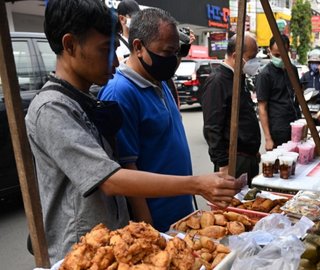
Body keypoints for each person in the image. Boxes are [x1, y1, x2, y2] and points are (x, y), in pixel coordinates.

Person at [25, 0, 241, 262]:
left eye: (115, 49)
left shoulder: (86, 99)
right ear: (70, 45)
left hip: (114, 243)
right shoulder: (52, 109)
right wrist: (196, 184)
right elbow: (111, 179)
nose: (115, 62)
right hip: (82, 254)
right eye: (105, 49)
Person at [98, 8, 206, 232]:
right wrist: (148, 228)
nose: (173, 60)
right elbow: (128, 167)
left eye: (177, 52)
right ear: (138, 47)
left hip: (182, 209)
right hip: (156, 220)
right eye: (167, 53)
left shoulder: (161, 80)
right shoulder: (119, 92)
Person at [201, 34, 261, 183]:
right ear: (236, 56)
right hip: (233, 160)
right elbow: (212, 127)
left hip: (247, 157)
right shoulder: (218, 81)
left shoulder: (238, 78)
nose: (254, 62)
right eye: (251, 57)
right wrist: (223, 163)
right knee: (231, 203)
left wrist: (253, 150)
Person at [256, 34, 301, 150]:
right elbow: (262, 108)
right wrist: (268, 139)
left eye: (283, 54)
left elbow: (298, 95)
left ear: (288, 51)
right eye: (276, 55)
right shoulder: (265, 75)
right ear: (269, 51)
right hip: (278, 130)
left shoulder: (293, 70)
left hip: (296, 125)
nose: (280, 58)